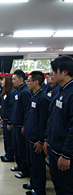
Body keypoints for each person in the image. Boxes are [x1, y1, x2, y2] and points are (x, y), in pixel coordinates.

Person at [44, 56, 73, 194]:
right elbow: (52, 119)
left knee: (67, 188)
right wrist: (47, 140)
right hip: (54, 147)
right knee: (58, 185)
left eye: (54, 71)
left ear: (65, 72)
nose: (51, 75)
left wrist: (67, 155)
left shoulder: (71, 93)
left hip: (65, 152)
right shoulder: (58, 90)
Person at [23, 71, 50, 195]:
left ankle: (39, 190)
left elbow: (43, 121)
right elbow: (30, 115)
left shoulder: (43, 98)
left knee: (38, 166)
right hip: (30, 136)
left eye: (29, 80)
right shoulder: (33, 95)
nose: (27, 83)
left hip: (36, 139)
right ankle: (33, 184)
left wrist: (40, 140)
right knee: (31, 163)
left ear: (36, 82)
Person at [10, 70, 31, 179]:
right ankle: (19, 166)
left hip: (20, 125)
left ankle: (25, 170)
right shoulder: (17, 91)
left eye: (14, 79)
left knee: (22, 149)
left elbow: (27, 111)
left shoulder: (25, 92)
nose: (13, 81)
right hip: (15, 123)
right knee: (16, 147)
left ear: (21, 79)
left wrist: (24, 125)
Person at [0, 75, 15, 162]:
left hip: (9, 120)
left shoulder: (11, 93)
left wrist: (9, 121)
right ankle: (7, 154)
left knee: (9, 139)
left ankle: (10, 155)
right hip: (5, 119)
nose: (2, 82)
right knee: (6, 139)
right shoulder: (6, 92)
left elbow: (11, 109)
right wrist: (3, 117)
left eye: (3, 81)